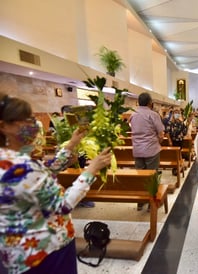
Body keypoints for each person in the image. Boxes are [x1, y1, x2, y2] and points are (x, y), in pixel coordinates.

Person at [0, 93, 112, 274]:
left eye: (32, 119)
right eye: (25, 121)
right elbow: (63, 205)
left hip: (16, 251)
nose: (33, 126)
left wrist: (72, 144)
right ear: (4, 126)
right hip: (44, 250)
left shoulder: (9, 159)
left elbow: (41, 173)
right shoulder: (19, 167)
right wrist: (91, 170)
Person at [129, 92, 165, 211]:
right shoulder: (153, 114)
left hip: (137, 149)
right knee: (152, 175)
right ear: (150, 103)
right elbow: (161, 132)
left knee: (140, 175)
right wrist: (159, 141)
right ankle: (151, 203)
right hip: (151, 150)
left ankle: (140, 202)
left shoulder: (133, 114)